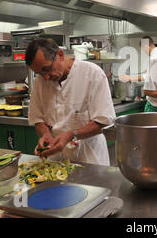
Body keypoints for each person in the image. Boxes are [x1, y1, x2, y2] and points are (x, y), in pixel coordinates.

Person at [26, 38, 115, 166]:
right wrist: (45, 135)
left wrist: (71, 135)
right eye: (40, 73)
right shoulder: (39, 82)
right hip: (55, 159)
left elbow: (102, 121)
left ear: (60, 55)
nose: (45, 78)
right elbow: (37, 119)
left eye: (46, 69)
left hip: (89, 158)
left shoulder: (92, 74)